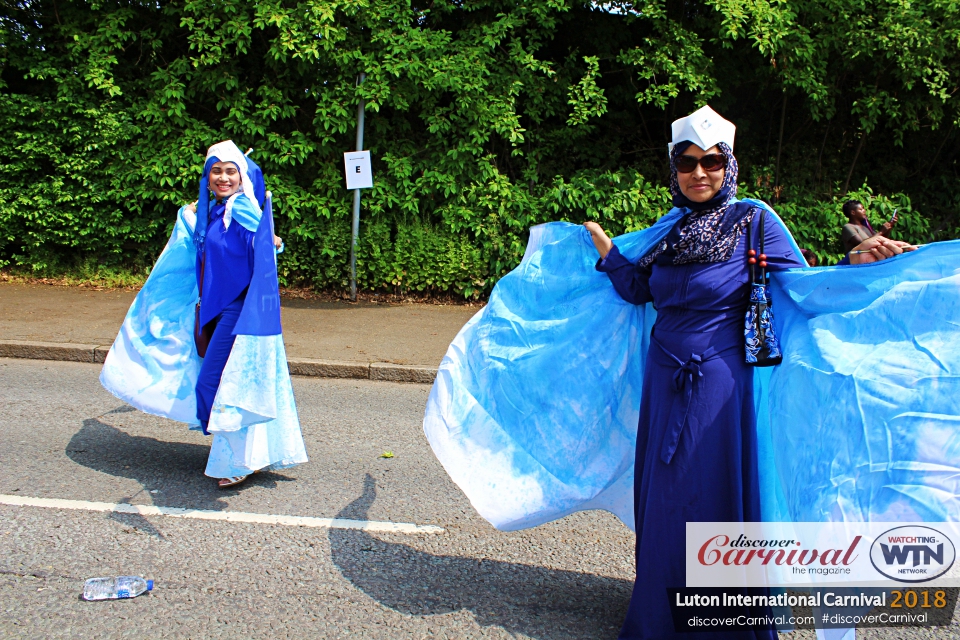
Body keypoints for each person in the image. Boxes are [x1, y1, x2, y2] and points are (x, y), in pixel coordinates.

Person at [424, 105, 922, 640]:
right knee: (663, 501)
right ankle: (661, 616)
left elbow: (800, 290)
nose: (700, 173)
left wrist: (857, 265)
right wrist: (612, 255)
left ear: (729, 164)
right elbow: (641, 291)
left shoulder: (753, 221)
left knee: (707, 497)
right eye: (688, 163)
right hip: (665, 381)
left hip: (717, 386)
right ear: (674, 169)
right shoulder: (671, 229)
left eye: (711, 161)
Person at [101, 140, 308, 489]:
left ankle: (239, 461)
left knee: (216, 385)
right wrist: (190, 216)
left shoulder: (240, 208)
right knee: (231, 384)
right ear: (208, 176)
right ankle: (246, 457)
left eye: (231, 171)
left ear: (241, 176)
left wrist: (272, 240)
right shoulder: (213, 209)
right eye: (217, 171)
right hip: (214, 309)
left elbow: (263, 238)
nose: (223, 177)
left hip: (238, 312)